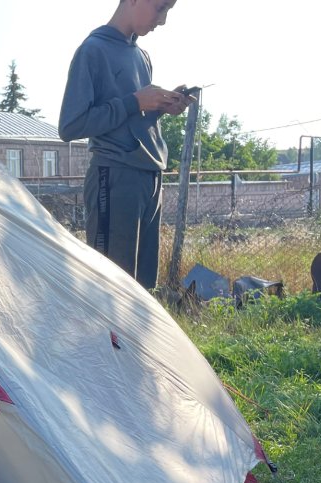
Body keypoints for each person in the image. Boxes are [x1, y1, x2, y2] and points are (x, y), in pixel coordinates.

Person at [58, 0, 193, 289]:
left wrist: (161, 106)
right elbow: (70, 125)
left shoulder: (142, 56)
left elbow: (130, 118)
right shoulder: (92, 50)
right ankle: (101, 338)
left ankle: (139, 338)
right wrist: (135, 101)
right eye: (160, 8)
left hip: (150, 176)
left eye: (168, 11)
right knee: (112, 289)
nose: (163, 20)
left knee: (143, 289)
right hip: (115, 177)